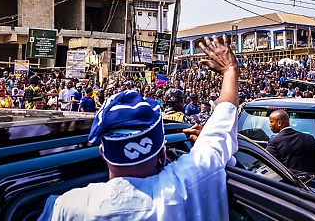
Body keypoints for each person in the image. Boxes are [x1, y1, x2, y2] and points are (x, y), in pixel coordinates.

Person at [39, 34, 239, 221]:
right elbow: (222, 121)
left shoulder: (67, 207)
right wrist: (230, 69)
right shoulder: (187, 182)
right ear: (162, 153)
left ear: (103, 153)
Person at [266, 109, 315, 175]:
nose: (270, 125)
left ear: (279, 123)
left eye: (271, 122)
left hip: (289, 182)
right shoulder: (308, 138)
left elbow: (271, 166)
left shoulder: (274, 142)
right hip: (311, 181)